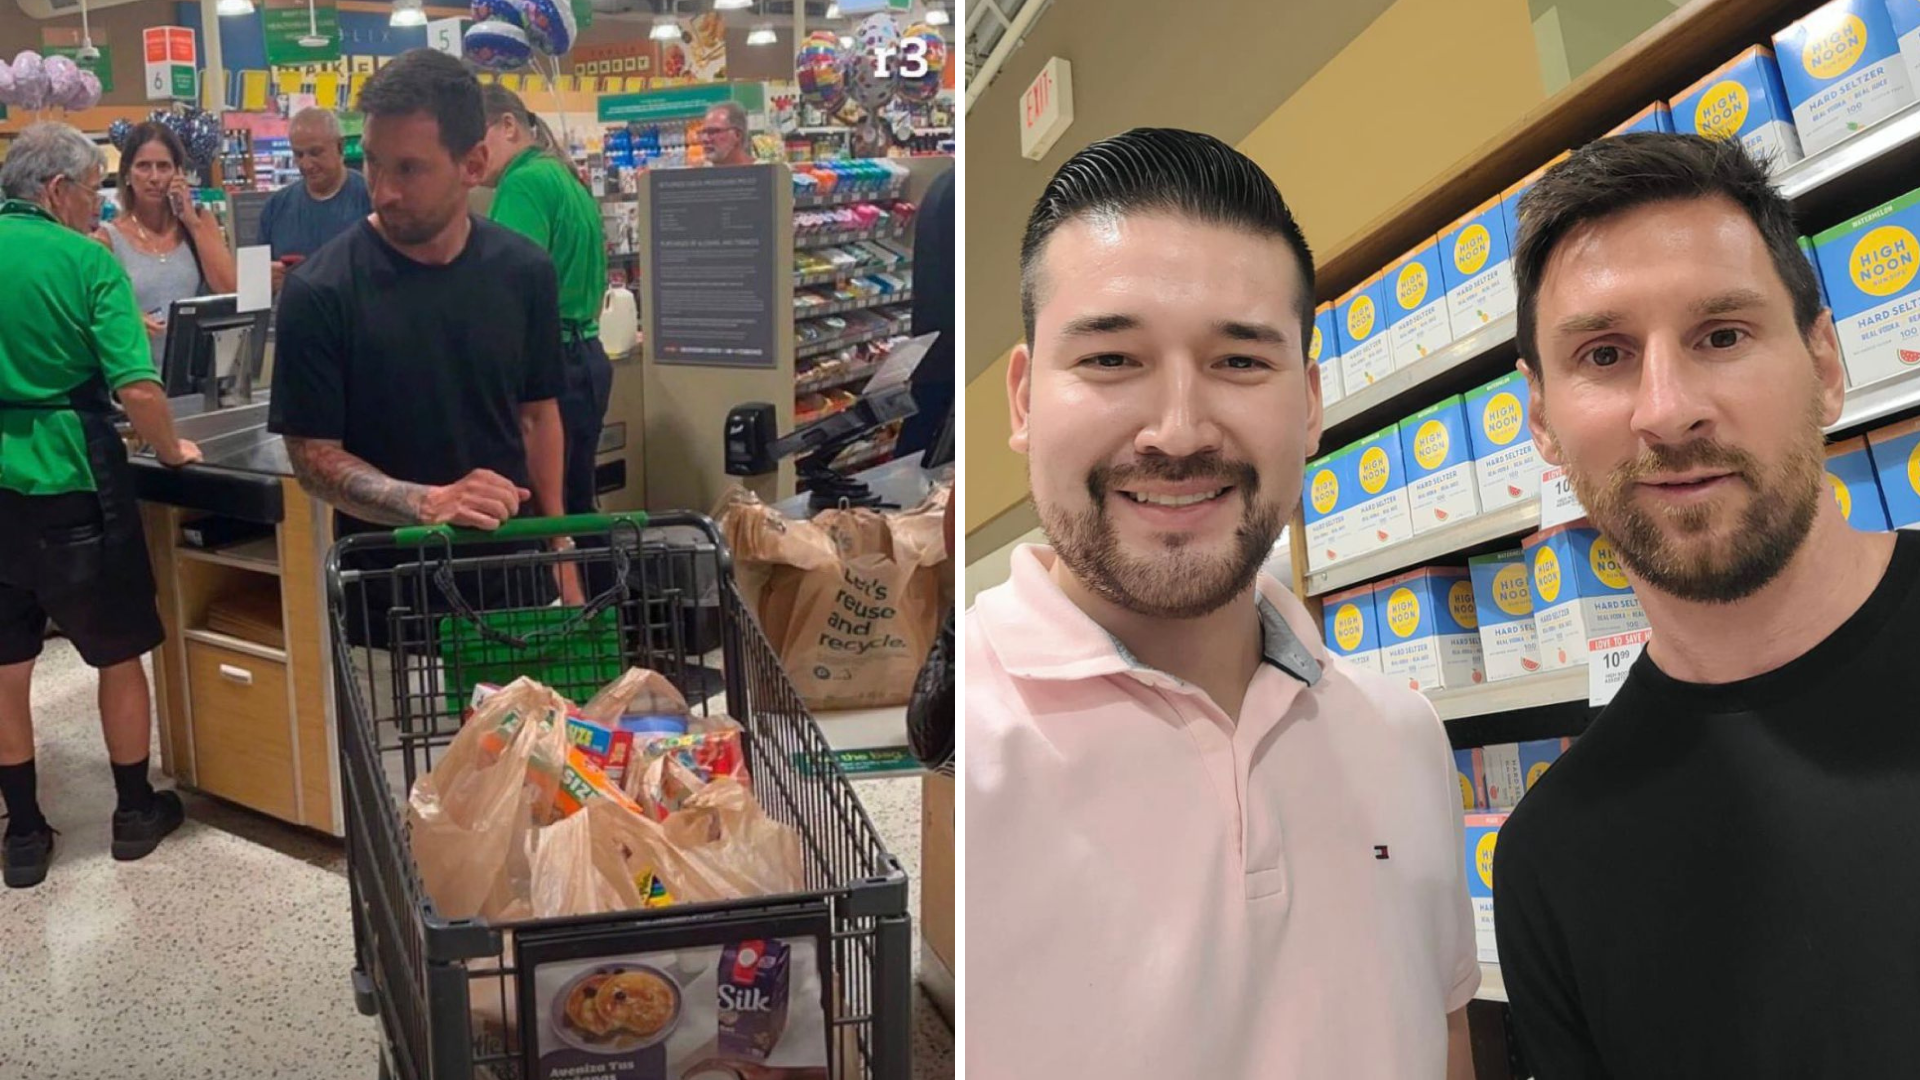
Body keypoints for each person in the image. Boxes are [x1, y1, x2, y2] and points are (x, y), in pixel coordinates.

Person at [966, 128, 1477, 1078]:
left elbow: (1441, 1036)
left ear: (1312, 404)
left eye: (1241, 363)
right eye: (1113, 359)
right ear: (1026, 398)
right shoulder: (962, 760)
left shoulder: (1404, 739)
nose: (1177, 430)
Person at [1492, 132, 1920, 1077]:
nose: (1667, 409)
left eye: (1721, 336)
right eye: (1604, 354)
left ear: (1826, 364)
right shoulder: (1551, 859)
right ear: (1543, 423)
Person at [267, 50, 571, 603]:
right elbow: (312, 459)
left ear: (472, 164)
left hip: (510, 579)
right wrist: (427, 501)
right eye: (373, 163)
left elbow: (536, 417)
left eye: (408, 168)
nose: (382, 191)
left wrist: (561, 548)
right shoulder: (320, 290)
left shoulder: (525, 271)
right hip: (387, 595)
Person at [0, 123, 203, 888]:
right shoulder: (87, 260)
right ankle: (131, 812)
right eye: (92, 191)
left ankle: (23, 833)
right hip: (70, 472)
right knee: (119, 650)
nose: (98, 206)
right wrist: (173, 448)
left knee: (6, 665)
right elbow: (137, 386)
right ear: (57, 191)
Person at [479, 86, 611, 519]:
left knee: (541, 511)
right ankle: (594, 586)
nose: (470, 156)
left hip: (551, 367)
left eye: (475, 140)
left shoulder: (524, 183)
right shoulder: (564, 176)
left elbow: (506, 288)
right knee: (576, 501)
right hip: (587, 354)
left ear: (509, 126)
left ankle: (566, 590)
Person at [99, 121, 237, 363]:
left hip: (196, 374)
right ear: (128, 174)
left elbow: (229, 290)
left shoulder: (200, 222)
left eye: (164, 167)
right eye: (143, 166)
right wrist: (128, 318)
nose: (154, 177)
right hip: (139, 373)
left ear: (179, 173)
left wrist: (190, 221)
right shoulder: (108, 239)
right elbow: (98, 314)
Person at [258, 107, 374, 293]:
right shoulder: (275, 208)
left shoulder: (371, 199)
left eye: (315, 153)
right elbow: (253, 288)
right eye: (299, 155)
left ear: (340, 147)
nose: (306, 164)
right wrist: (264, 282)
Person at [698, 102, 755, 167]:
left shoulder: (765, 172)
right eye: (703, 132)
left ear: (737, 135)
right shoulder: (699, 174)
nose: (705, 139)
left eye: (713, 132)